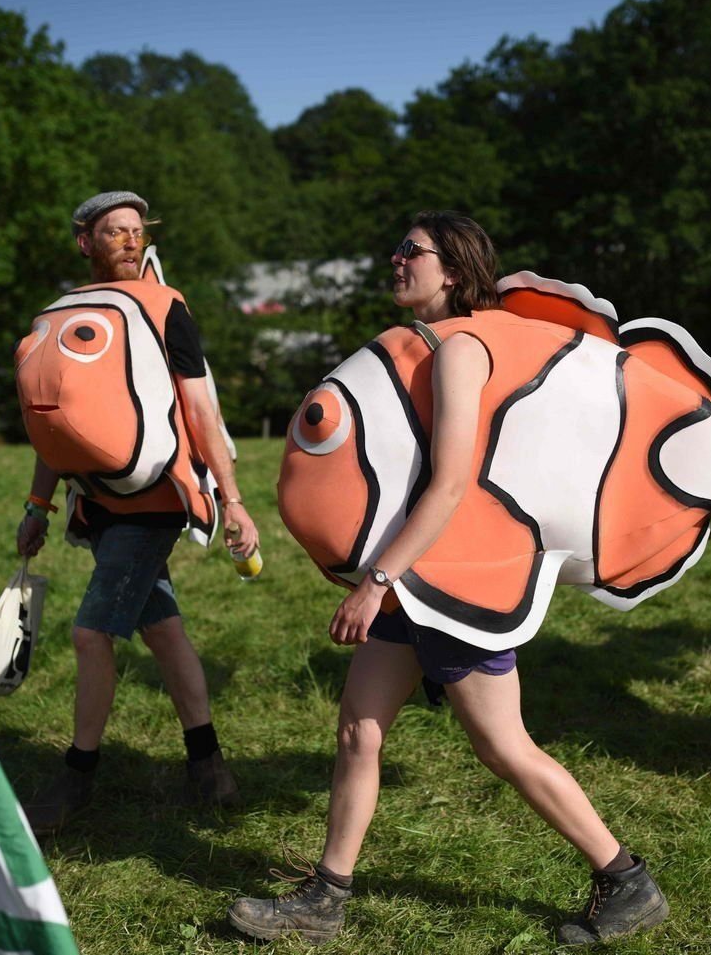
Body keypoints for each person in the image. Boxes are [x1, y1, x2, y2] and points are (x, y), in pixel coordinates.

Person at [227, 212, 668, 946]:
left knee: (504, 747)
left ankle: (625, 879)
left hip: (453, 581)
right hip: (414, 576)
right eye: (396, 248)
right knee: (358, 732)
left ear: (454, 270)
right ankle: (324, 899)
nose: (396, 259)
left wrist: (376, 580)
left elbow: (451, 484)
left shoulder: (461, 350)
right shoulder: (423, 348)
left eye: (412, 251)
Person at [16, 191, 259, 832]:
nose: (128, 238)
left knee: (91, 633)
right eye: (112, 230)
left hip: (153, 501)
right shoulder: (65, 313)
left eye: (135, 230)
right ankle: (208, 763)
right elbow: (55, 426)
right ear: (84, 243)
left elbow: (201, 408)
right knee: (162, 628)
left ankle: (76, 776)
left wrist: (231, 499)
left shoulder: (166, 305)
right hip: (96, 505)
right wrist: (39, 505)